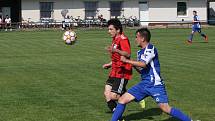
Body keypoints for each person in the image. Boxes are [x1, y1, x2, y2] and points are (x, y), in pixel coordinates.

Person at [111, 28, 192, 121]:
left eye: (136, 37)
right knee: (122, 100)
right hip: (144, 83)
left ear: (143, 39)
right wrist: (131, 64)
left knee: (165, 108)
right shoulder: (139, 52)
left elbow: (143, 64)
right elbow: (141, 70)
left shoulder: (150, 48)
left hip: (155, 84)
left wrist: (127, 60)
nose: (135, 39)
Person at [103, 18, 132, 113]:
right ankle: (117, 114)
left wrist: (116, 50)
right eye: (108, 29)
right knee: (107, 94)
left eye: (111, 29)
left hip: (122, 71)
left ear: (118, 30)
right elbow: (116, 57)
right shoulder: (115, 39)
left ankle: (135, 96)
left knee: (113, 96)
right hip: (114, 70)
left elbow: (127, 54)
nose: (109, 31)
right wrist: (109, 64)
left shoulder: (123, 39)